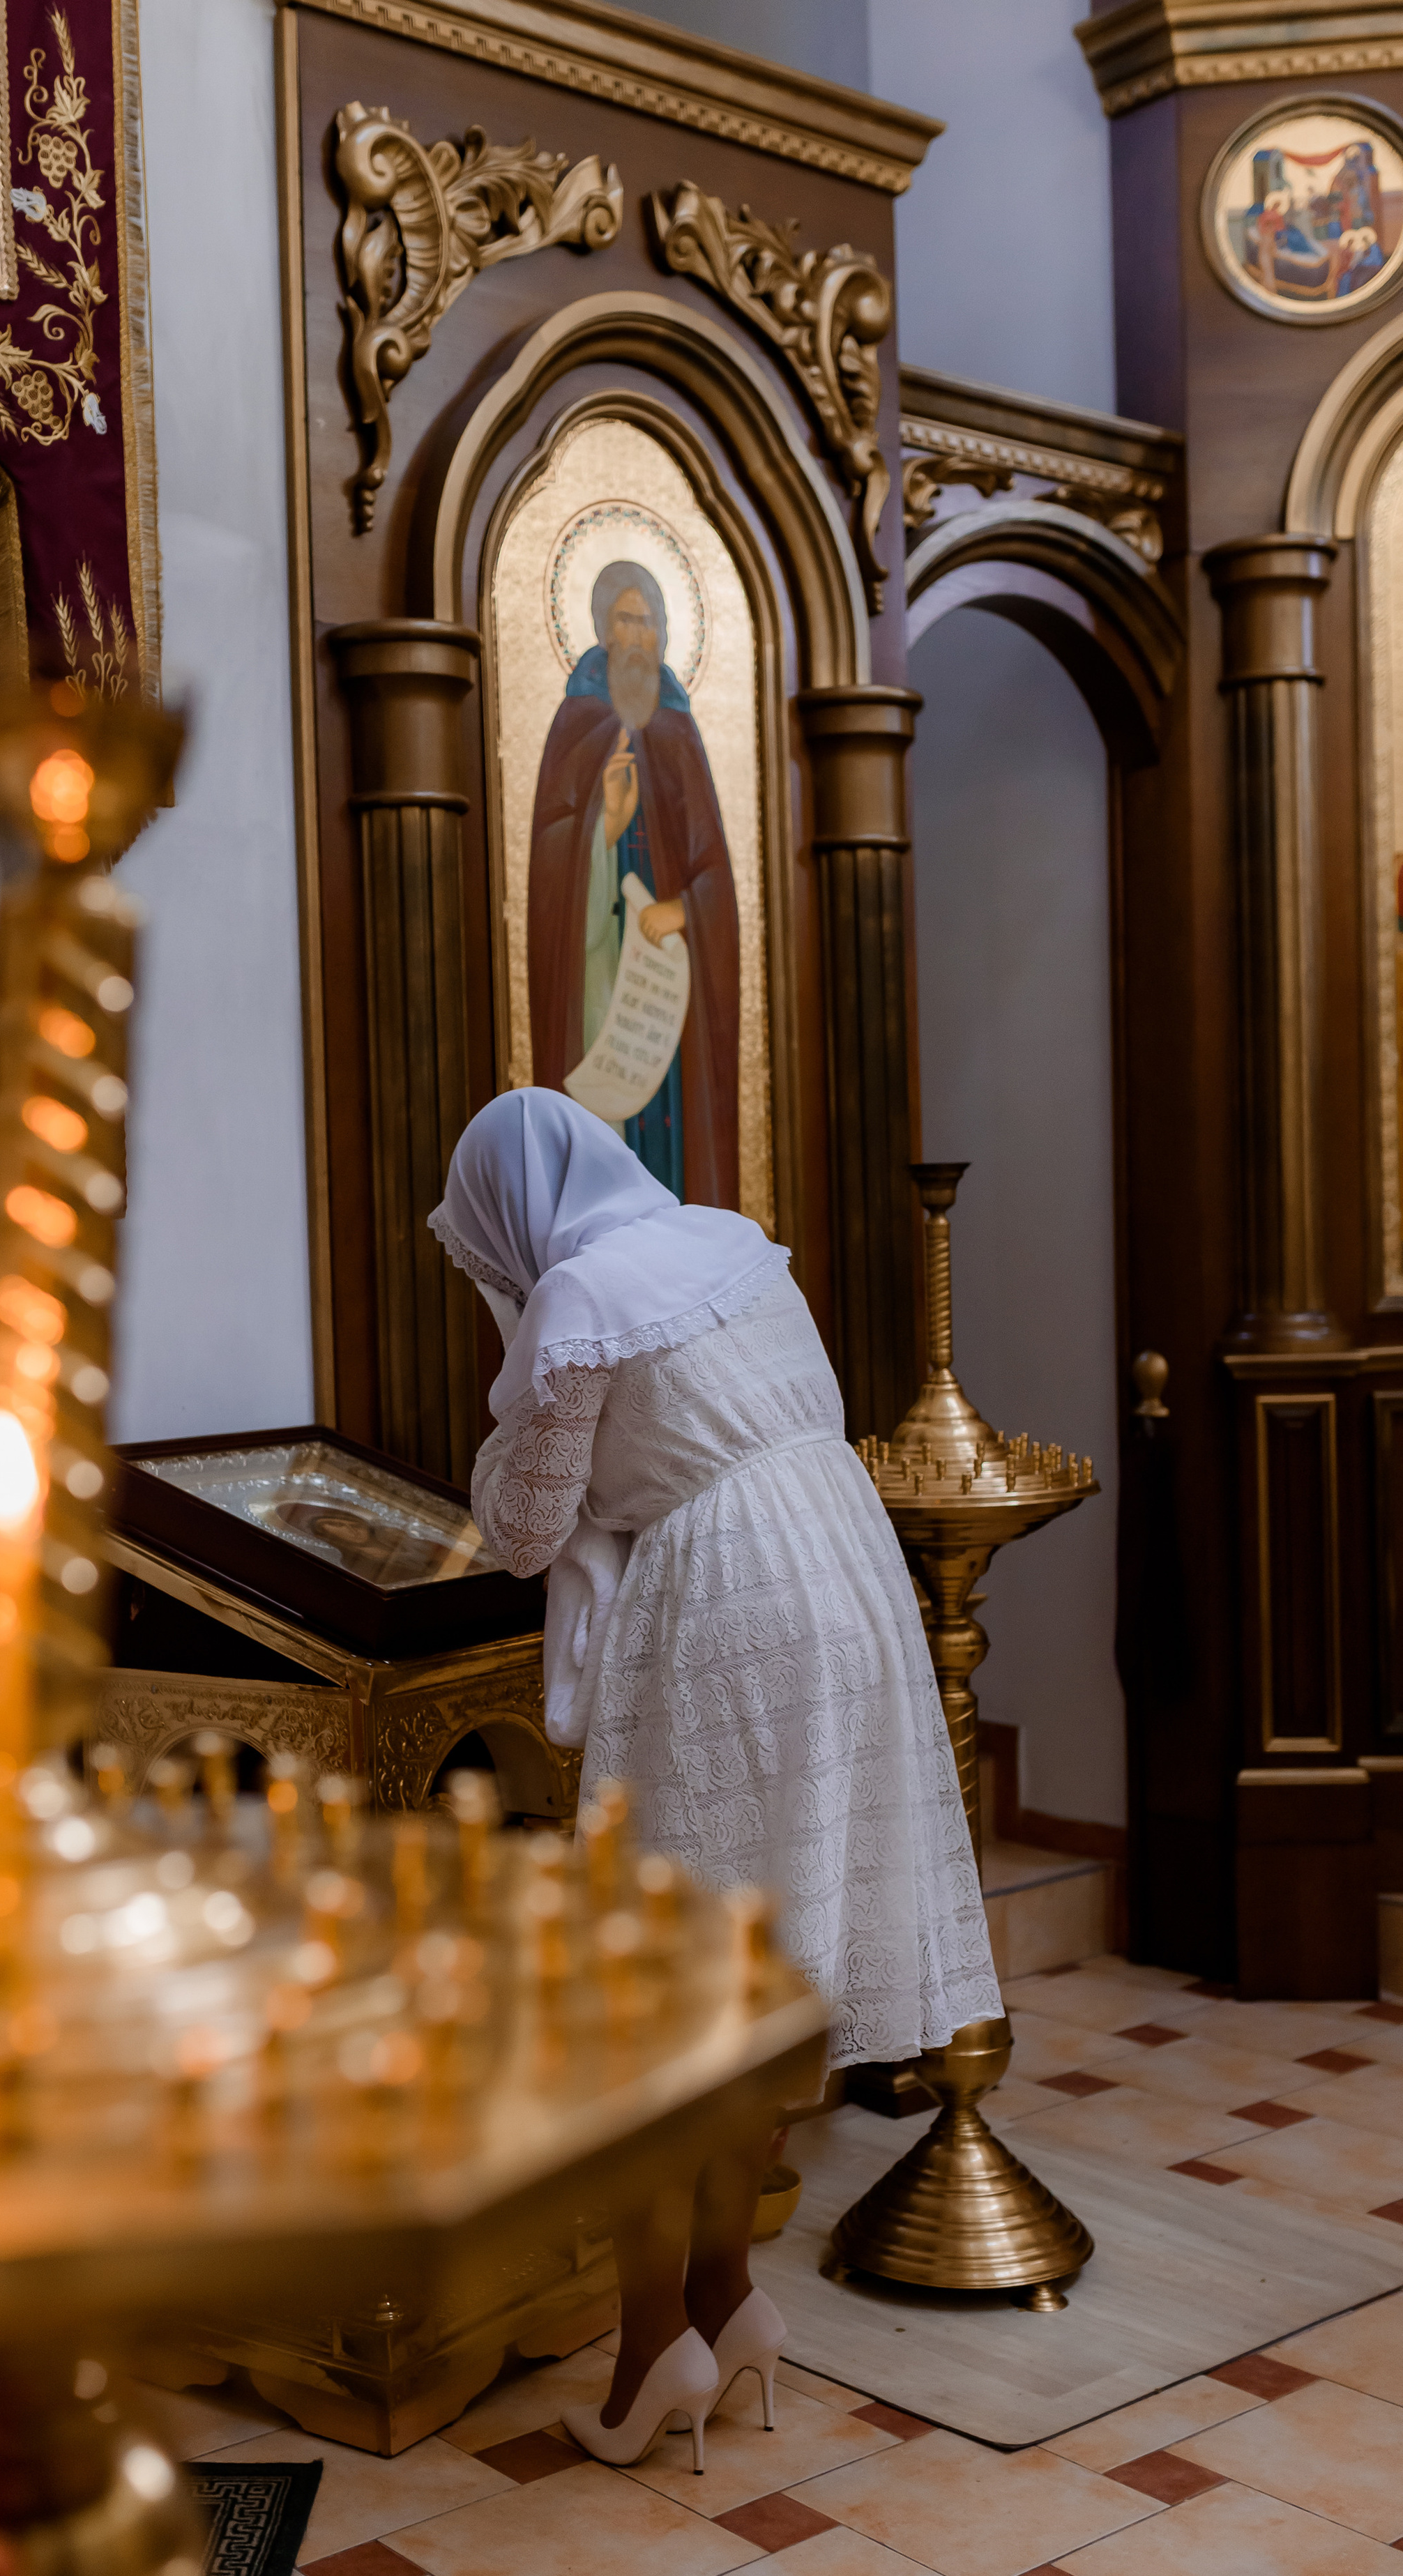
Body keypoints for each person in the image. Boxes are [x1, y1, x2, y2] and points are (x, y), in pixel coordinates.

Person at [428, 1088, 1001, 2469]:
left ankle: (645, 2357)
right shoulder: (726, 1243)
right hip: (841, 1574)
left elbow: (520, 1529)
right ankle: (727, 2304)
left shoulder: (577, 1297)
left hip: (724, 1608)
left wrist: (502, 1434)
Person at [527, 563, 740, 1205]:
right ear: (602, 629)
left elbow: (714, 867)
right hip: (601, 965)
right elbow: (548, 862)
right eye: (626, 620)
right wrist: (604, 829)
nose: (639, 637)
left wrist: (686, 909)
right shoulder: (578, 724)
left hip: (667, 980)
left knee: (672, 1129)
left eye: (650, 622)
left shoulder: (679, 729)